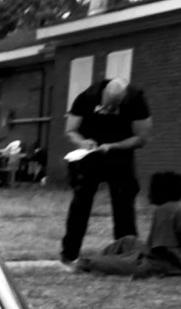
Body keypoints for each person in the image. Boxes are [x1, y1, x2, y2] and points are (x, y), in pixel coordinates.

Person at [61, 77, 152, 264]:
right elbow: (71, 130)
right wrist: (83, 142)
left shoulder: (136, 100)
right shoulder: (86, 97)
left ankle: (127, 256)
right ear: (102, 95)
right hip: (89, 155)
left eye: (115, 107)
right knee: (80, 205)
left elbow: (141, 138)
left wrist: (115, 146)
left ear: (124, 98)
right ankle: (69, 255)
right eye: (107, 106)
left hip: (120, 155)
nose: (110, 110)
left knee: (124, 207)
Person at [76, 171, 181, 279]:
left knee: (88, 262)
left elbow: (163, 250)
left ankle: (88, 264)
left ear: (162, 191)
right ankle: (97, 261)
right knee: (128, 241)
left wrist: (133, 258)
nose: (148, 193)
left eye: (152, 188)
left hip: (164, 266)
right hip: (174, 262)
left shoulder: (165, 210)